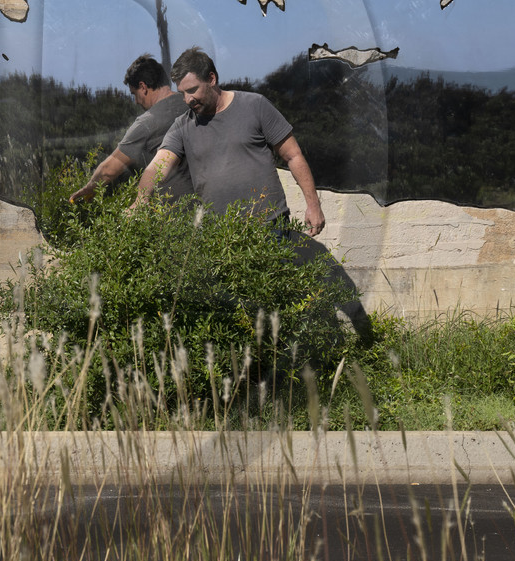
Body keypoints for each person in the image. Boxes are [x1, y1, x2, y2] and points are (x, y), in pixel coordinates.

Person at [133, 46, 373, 342]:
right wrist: (140, 201)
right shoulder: (183, 126)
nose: (188, 99)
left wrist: (313, 205)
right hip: (222, 239)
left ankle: (317, 365)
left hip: (270, 229)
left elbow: (293, 155)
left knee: (282, 309)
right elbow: (157, 166)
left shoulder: (254, 106)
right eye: (182, 93)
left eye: (193, 90)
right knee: (241, 318)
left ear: (212, 78)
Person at [69, 54, 195, 204]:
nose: (135, 101)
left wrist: (88, 188)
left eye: (134, 94)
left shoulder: (147, 122)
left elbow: (109, 169)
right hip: (206, 206)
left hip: (172, 211)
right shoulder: (191, 104)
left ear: (143, 87)